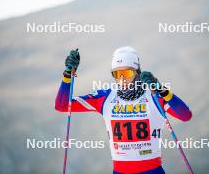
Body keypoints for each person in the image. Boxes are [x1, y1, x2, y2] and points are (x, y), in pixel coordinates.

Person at [55, 46, 192, 174]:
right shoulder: (105, 97)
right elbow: (62, 106)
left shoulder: (154, 97)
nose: (122, 79)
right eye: (117, 73)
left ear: (137, 72)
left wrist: (160, 88)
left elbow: (185, 115)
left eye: (126, 73)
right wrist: (68, 73)